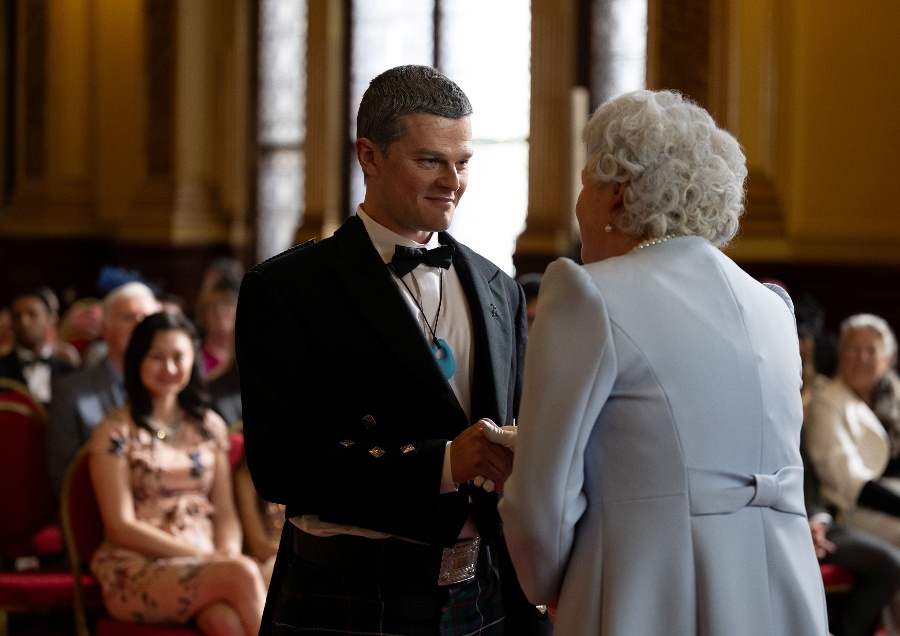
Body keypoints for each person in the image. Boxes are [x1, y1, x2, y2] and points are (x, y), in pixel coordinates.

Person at [498, 89, 828, 635]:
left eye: (585, 182)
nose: (579, 204)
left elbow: (542, 509)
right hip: (783, 598)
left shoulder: (589, 294)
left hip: (648, 596)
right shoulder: (772, 306)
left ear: (616, 194)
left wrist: (554, 587)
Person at [235, 64, 546, 635]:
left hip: (484, 597)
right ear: (369, 157)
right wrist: (444, 463)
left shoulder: (498, 288)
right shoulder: (286, 289)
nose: (452, 181)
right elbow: (282, 466)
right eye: (429, 161)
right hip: (344, 595)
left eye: (463, 162)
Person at [89, 311, 266, 634]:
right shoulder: (115, 430)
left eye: (178, 357)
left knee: (226, 619)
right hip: (137, 566)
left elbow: (225, 512)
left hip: (207, 561)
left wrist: (226, 553)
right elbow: (119, 527)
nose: (169, 368)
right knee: (241, 573)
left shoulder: (209, 426)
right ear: (137, 359)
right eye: (157, 357)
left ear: (193, 361)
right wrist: (204, 557)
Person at [46, 282, 161, 497]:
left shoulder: (172, 388)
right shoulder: (70, 391)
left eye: (147, 319)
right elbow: (65, 479)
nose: (139, 327)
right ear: (105, 329)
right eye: (128, 317)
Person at [805, 314, 900, 548]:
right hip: (854, 511)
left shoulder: (893, 398)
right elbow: (847, 478)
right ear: (840, 354)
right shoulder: (826, 402)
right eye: (853, 348)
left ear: (887, 359)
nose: (862, 357)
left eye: (871, 350)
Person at [0, 287, 78, 407]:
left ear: (50, 319)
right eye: (17, 316)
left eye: (32, 314)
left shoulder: (68, 372)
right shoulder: (2, 369)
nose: (24, 322)